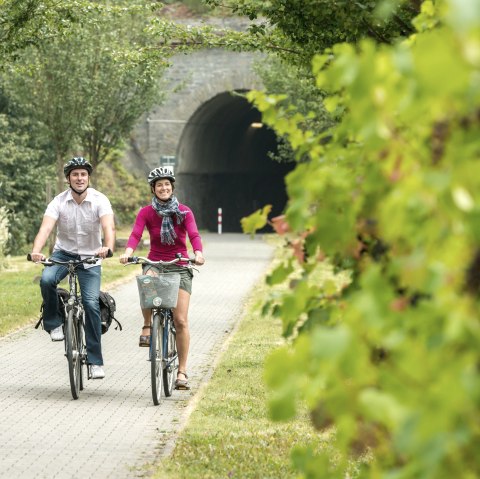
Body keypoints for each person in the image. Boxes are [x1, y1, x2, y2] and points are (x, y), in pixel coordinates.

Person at [119, 166, 205, 390]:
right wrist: (128, 252)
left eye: (167, 184)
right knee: (146, 281)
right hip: (156, 262)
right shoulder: (146, 212)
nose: (163, 188)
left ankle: (182, 371)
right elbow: (136, 234)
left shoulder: (184, 212)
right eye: (159, 185)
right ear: (153, 189)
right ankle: (147, 325)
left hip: (179, 265)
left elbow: (194, 234)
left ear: (172, 187)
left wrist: (198, 253)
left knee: (181, 320)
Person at [30, 157, 115, 380]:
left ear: (88, 178)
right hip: (63, 253)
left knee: (90, 304)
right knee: (47, 280)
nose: (79, 178)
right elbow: (46, 228)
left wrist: (107, 247)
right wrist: (37, 251)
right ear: (68, 178)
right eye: (75, 174)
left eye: (83, 174)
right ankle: (53, 323)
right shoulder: (58, 201)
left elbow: (109, 227)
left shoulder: (100, 200)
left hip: (91, 257)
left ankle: (95, 361)